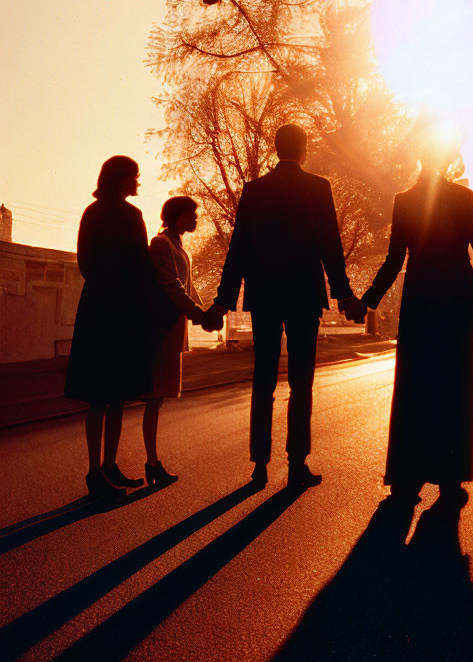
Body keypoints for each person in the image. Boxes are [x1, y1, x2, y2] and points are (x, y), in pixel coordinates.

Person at [360, 131, 473, 503]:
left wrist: (367, 300)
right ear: (446, 160)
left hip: (419, 303)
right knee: (454, 389)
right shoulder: (462, 197)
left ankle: (407, 473)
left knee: (413, 387)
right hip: (456, 301)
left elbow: (394, 259)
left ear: (419, 158)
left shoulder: (404, 201)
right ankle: (450, 475)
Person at [206, 124, 363, 489]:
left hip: (264, 295)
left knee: (263, 380)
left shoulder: (255, 190)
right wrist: (344, 294)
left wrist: (222, 302)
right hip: (304, 296)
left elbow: (239, 250)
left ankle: (260, 464)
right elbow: (331, 247)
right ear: (304, 149)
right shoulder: (318, 188)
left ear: (276, 149)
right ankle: (296, 464)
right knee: (301, 382)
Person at [65, 156, 177, 499]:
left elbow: (84, 262)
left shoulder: (91, 212)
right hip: (121, 313)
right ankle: (98, 472)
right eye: (135, 177)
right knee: (111, 396)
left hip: (97, 309)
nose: (138, 183)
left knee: (104, 396)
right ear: (121, 180)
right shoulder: (131, 216)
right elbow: (142, 269)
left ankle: (103, 470)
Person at [143, 196, 207, 487]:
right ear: (178, 217)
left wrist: (206, 314)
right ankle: (152, 463)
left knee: (158, 399)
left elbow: (190, 288)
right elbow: (173, 286)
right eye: (192, 214)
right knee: (154, 398)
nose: (196, 219)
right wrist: (201, 315)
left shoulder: (180, 248)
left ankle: (153, 462)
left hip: (174, 329)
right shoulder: (161, 244)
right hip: (161, 330)